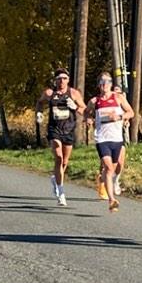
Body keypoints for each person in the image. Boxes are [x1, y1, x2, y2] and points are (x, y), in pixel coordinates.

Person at [37, 69, 84, 206]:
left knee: (65, 162)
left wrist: (75, 107)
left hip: (68, 130)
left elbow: (85, 110)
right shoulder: (49, 93)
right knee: (59, 157)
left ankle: (56, 179)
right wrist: (39, 113)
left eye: (64, 78)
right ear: (55, 80)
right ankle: (61, 192)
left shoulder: (74, 93)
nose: (61, 81)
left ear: (68, 80)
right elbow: (40, 102)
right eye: (59, 78)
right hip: (54, 129)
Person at [90, 73, 134, 212]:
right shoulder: (94, 101)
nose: (105, 84)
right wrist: (88, 119)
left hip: (116, 139)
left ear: (111, 84)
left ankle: (101, 179)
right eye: (102, 81)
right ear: (99, 84)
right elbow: (86, 112)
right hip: (102, 139)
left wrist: (119, 117)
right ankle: (111, 200)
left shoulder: (118, 98)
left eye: (108, 81)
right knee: (109, 169)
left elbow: (131, 112)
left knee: (112, 170)